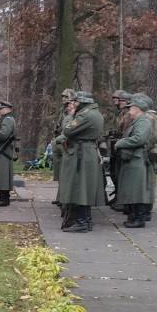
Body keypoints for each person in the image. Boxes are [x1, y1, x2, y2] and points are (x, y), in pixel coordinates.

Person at [55, 91, 106, 232]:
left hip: (80, 153)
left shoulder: (85, 114)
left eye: (76, 101)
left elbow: (67, 130)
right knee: (83, 187)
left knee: (79, 187)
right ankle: (85, 220)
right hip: (85, 151)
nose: (74, 104)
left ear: (83, 101)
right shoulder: (94, 113)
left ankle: (81, 222)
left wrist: (71, 117)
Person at [112, 94, 153, 229]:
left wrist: (121, 143)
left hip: (137, 159)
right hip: (132, 159)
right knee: (131, 189)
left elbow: (139, 139)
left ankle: (138, 218)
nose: (129, 111)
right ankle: (134, 216)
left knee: (137, 190)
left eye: (131, 108)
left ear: (138, 109)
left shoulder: (143, 122)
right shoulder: (137, 121)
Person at [51, 89, 76, 206]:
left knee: (64, 171)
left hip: (65, 141)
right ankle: (60, 196)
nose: (63, 98)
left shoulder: (72, 111)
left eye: (66, 96)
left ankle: (63, 197)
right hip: (59, 141)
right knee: (59, 171)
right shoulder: (63, 110)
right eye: (63, 96)